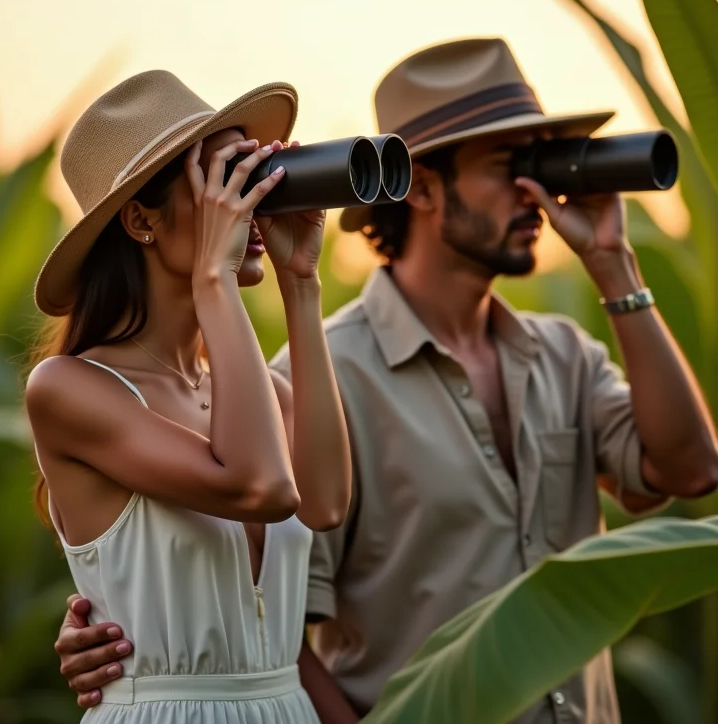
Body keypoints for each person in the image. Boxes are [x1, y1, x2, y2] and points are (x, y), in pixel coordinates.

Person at [51, 40, 718, 723]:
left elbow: (691, 471)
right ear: (420, 187)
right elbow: (266, 520)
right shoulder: (314, 374)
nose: (534, 191)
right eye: (226, 179)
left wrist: (301, 281)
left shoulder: (562, 355)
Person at [25, 69, 351, 724]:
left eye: (257, 173)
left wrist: (301, 283)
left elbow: (325, 503)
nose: (251, 201)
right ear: (141, 218)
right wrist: (214, 277)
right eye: (225, 179)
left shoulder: (263, 394)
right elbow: (262, 488)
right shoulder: (69, 388)